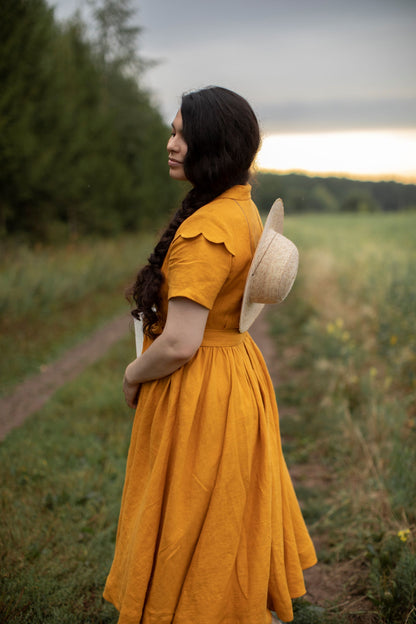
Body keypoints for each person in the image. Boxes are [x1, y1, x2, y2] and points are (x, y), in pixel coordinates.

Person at [103, 86, 316, 624]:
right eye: (173, 131)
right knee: (224, 509)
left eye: (181, 133)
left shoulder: (206, 231)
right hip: (235, 373)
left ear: (213, 145)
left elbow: (179, 342)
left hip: (202, 387)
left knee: (191, 515)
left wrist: (132, 374)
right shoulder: (240, 208)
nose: (171, 143)